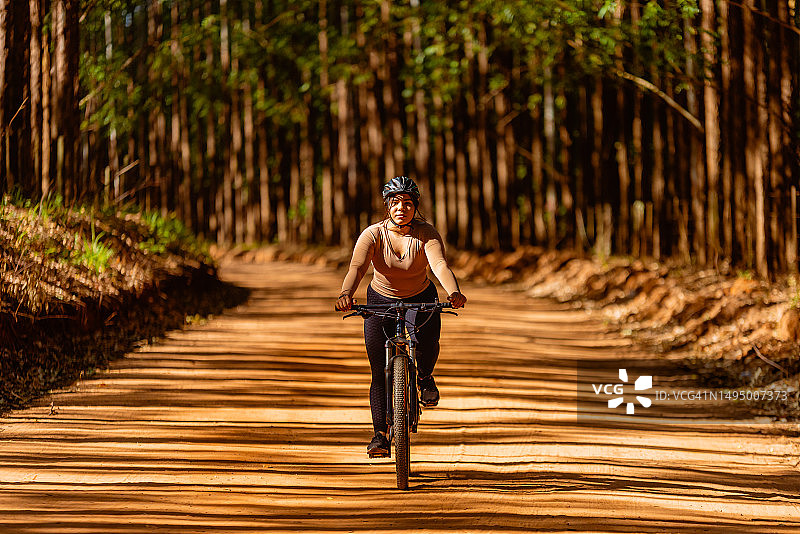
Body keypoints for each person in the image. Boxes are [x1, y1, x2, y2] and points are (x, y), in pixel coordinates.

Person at [335, 176, 467, 457]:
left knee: (428, 342)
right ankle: (380, 436)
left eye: (407, 203)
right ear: (387, 206)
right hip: (380, 299)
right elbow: (357, 267)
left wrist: (454, 291)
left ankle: (425, 378)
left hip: (420, 296)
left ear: (415, 207)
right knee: (377, 371)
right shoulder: (373, 234)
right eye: (395, 203)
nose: (401, 208)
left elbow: (439, 264)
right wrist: (346, 293)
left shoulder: (426, 233)